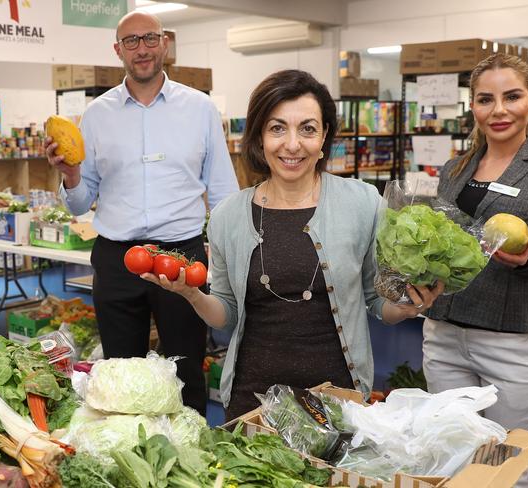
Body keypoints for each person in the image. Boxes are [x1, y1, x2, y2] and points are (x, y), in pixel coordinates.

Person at [141, 69, 444, 419]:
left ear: (324, 136)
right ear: (259, 137)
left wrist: (407, 307)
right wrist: (192, 294)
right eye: (277, 128)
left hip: (338, 398)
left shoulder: (363, 203)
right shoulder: (228, 215)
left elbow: (376, 301)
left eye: (308, 129)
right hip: (252, 398)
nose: (293, 144)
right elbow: (226, 314)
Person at [44, 11, 239, 415]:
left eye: (149, 38)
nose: (142, 49)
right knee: (120, 373)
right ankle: (131, 455)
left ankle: (192, 455)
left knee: (186, 368)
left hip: (182, 257)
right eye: (131, 42)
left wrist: (225, 258)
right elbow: (81, 203)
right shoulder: (97, 115)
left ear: (164, 42)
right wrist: (71, 175)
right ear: (118, 51)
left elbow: (223, 191)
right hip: (118, 259)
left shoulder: (200, 108)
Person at [423, 53, 528, 488]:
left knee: (504, 470)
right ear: (472, 107)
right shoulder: (454, 169)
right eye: (485, 99)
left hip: (511, 342)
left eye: (512, 97)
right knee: (451, 459)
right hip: (445, 334)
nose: (498, 110)